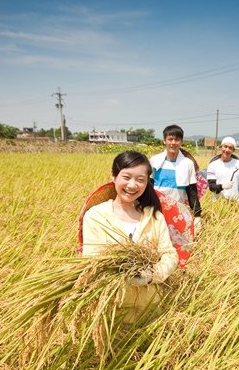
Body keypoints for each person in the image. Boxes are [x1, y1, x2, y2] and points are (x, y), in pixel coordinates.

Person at [82, 151, 178, 322]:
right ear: (113, 177)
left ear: (147, 182)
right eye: (126, 177)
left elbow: (170, 255)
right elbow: (91, 261)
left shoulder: (154, 217)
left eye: (140, 180)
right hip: (112, 308)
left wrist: (150, 275)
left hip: (150, 307)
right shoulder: (95, 216)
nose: (132, 185)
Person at [150, 124, 202, 232]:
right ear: (164, 141)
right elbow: (149, 186)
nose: (173, 143)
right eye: (170, 139)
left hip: (178, 210)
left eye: (177, 139)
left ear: (181, 142)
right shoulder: (155, 161)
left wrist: (197, 216)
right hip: (157, 209)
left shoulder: (187, 164)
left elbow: (192, 191)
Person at [206, 136, 239, 205]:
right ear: (221, 147)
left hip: (234, 203)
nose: (227, 150)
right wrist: (222, 186)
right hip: (217, 203)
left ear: (233, 150)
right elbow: (212, 187)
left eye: (230, 148)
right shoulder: (212, 165)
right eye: (225, 146)